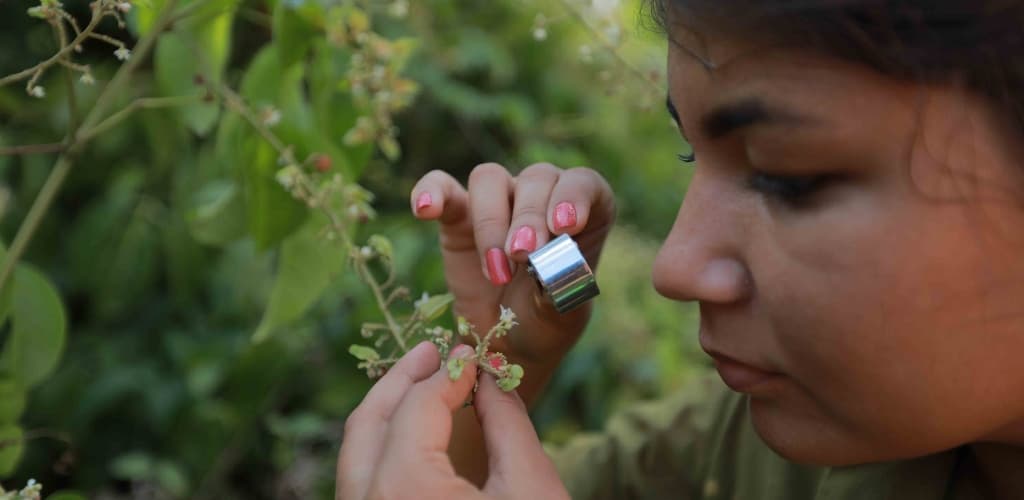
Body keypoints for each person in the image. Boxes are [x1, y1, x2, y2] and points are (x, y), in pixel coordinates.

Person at [335, 1, 1024, 498]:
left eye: (789, 175)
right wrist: (509, 352)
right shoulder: (759, 444)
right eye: (690, 151)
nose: (676, 266)